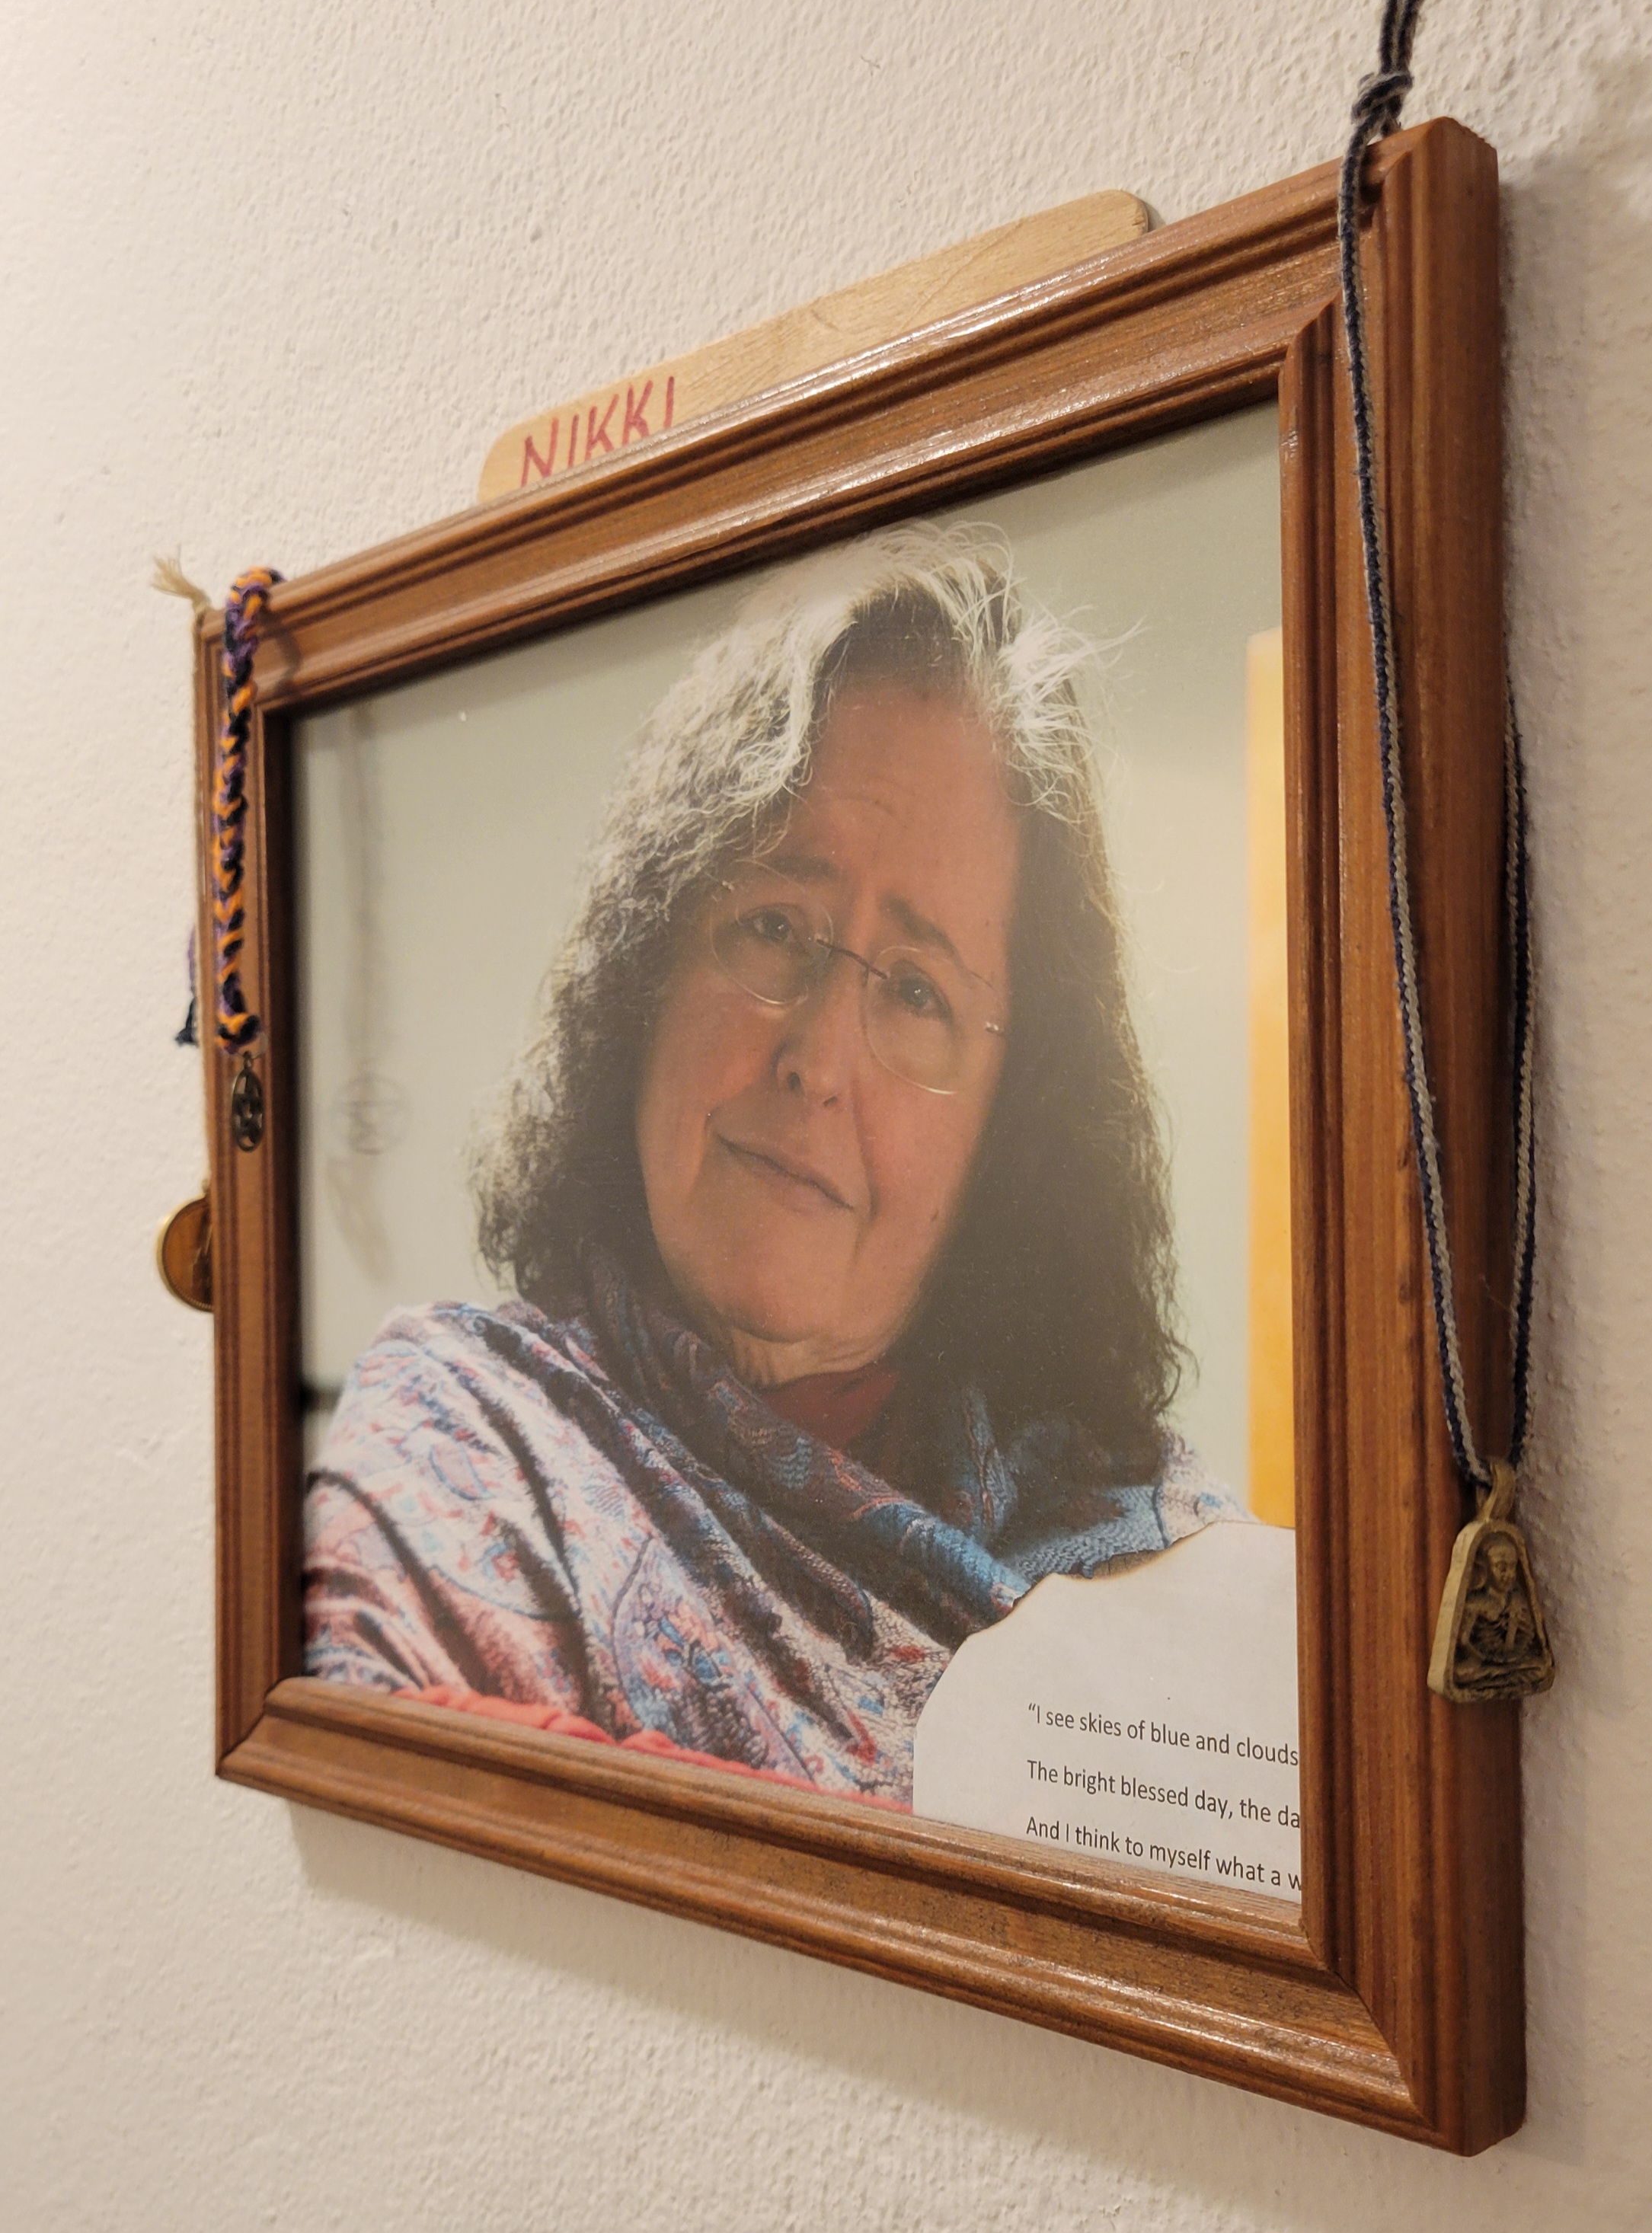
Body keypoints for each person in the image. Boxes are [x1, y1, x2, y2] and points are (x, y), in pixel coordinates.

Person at [304, 522, 1241, 1807]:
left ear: (1013, 1128)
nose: (819, 1056)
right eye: (772, 926)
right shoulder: (467, 1445)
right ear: (644, 971)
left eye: (916, 991)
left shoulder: (1156, 1550)